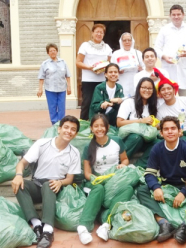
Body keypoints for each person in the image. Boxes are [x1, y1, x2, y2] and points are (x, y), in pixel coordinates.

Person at [136, 116, 186, 244]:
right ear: (161, 133)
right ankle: (164, 223)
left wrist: (183, 193)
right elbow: (149, 174)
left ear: (180, 131)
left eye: (173, 128)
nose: (170, 131)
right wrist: (156, 188)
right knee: (142, 190)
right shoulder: (157, 149)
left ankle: (185, 225)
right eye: (166, 129)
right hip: (166, 185)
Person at [11, 115, 81, 248]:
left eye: (73, 129)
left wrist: (60, 183)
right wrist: (19, 175)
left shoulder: (74, 153)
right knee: (20, 185)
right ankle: (36, 224)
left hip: (56, 187)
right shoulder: (42, 144)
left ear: (75, 134)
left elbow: (69, 179)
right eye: (66, 127)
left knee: (49, 184)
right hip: (37, 184)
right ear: (59, 129)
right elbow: (22, 163)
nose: (69, 131)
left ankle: (48, 231)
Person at [76, 114, 130, 244]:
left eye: (102, 126)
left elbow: (125, 159)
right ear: (91, 128)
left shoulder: (116, 141)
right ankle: (83, 227)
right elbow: (87, 173)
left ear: (107, 127)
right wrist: (94, 179)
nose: (99, 129)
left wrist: (123, 164)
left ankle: (106, 225)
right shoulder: (88, 147)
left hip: (114, 179)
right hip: (97, 181)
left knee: (128, 188)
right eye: (96, 126)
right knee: (99, 188)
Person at [154, 4, 186, 96]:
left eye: (178, 14)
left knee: (185, 100)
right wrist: (164, 56)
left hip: (184, 71)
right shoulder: (164, 30)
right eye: (174, 15)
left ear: (183, 15)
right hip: (169, 69)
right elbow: (156, 48)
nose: (176, 17)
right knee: (168, 98)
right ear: (170, 16)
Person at [76, 24, 113, 120]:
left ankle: (101, 124)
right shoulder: (85, 46)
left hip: (102, 80)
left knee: (102, 103)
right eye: (97, 32)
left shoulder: (107, 47)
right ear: (92, 33)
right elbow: (78, 62)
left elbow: (109, 63)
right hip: (88, 80)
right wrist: (90, 67)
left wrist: (104, 69)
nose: (99, 34)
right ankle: (83, 124)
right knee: (87, 103)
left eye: (101, 32)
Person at [117, 77, 158, 159]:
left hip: (147, 137)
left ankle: (141, 164)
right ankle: (120, 161)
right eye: (144, 88)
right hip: (130, 138)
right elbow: (119, 123)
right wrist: (141, 121)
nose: (147, 90)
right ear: (139, 88)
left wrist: (156, 125)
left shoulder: (153, 104)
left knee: (158, 142)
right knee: (136, 137)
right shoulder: (129, 102)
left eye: (150, 88)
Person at [38, 43, 72, 125]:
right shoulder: (45, 64)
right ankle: (54, 123)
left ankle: (61, 123)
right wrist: (40, 89)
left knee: (61, 107)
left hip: (62, 88)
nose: (53, 52)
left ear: (57, 51)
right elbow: (41, 77)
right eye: (50, 51)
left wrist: (69, 87)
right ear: (48, 53)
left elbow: (67, 76)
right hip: (50, 89)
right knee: (52, 107)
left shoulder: (63, 62)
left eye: (54, 50)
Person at [110, 32, 144, 97]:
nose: (127, 42)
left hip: (135, 78)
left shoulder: (138, 53)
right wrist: (118, 71)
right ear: (121, 42)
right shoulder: (116, 54)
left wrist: (141, 69)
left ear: (132, 41)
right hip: (122, 79)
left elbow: (145, 67)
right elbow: (111, 68)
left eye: (129, 40)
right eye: (124, 40)